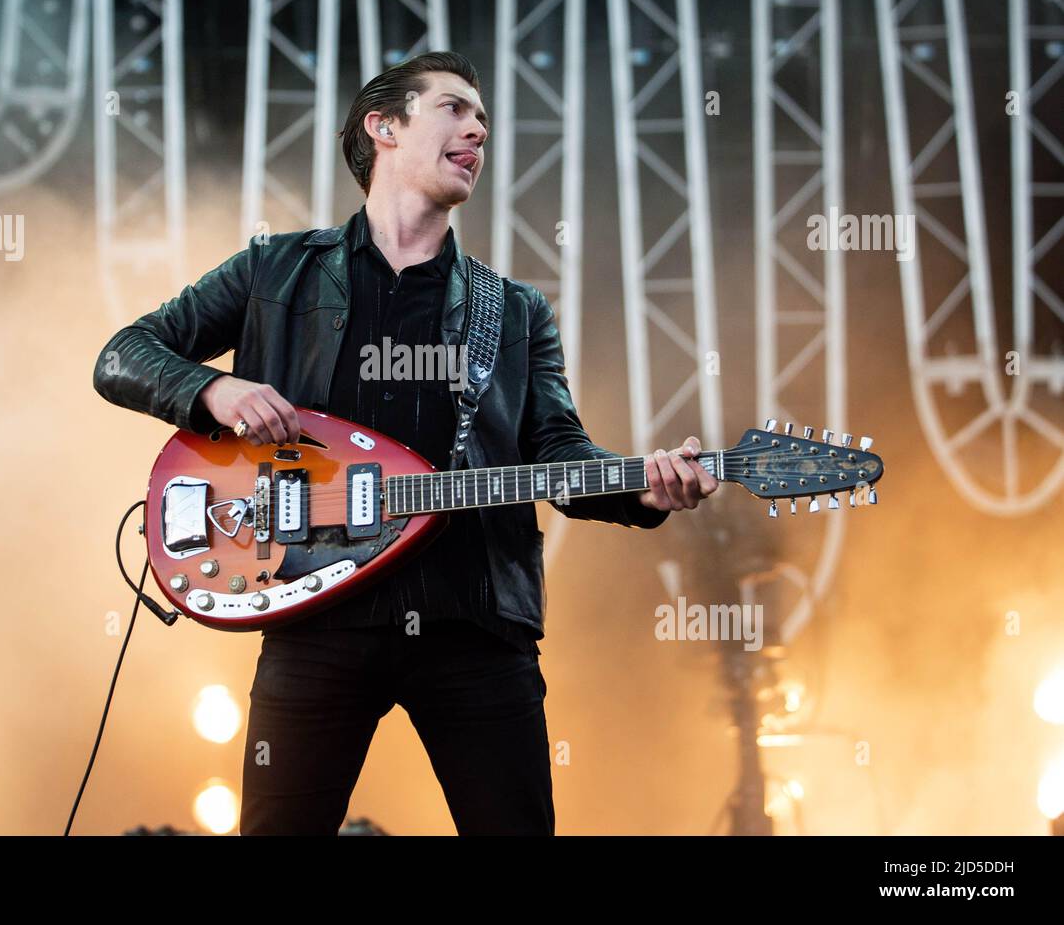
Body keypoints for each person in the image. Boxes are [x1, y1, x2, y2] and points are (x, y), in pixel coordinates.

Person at [92, 51, 718, 835]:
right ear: (382, 127)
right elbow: (121, 355)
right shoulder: (274, 271)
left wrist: (641, 487)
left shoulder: (514, 311)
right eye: (455, 109)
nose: (479, 128)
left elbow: (558, 451)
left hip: (472, 622)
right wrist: (215, 391)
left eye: (483, 119)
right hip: (313, 621)